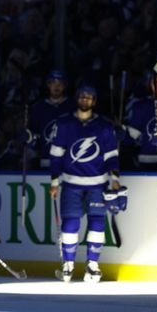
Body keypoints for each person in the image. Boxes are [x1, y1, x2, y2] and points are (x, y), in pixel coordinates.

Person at [49, 84, 124, 283]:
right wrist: (54, 181)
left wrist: (115, 179)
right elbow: (56, 154)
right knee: (71, 223)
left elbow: (111, 155)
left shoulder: (104, 126)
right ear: (77, 98)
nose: (85, 100)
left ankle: (92, 264)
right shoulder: (65, 124)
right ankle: (69, 264)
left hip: (97, 183)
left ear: (94, 101)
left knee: (97, 223)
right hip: (71, 183)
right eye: (82, 97)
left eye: (89, 97)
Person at [26, 70, 76, 169]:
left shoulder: (72, 107)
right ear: (48, 85)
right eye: (53, 83)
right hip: (45, 160)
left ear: (65, 86)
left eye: (60, 83)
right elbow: (33, 133)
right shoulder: (38, 107)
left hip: (68, 161)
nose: (56, 87)